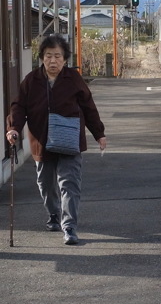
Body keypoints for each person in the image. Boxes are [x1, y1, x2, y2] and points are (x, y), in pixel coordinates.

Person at [6, 34, 106, 245]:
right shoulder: (31, 80)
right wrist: (14, 128)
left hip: (69, 140)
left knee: (69, 183)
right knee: (45, 183)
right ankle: (54, 213)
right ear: (42, 57)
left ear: (65, 59)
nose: (53, 61)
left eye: (58, 56)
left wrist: (99, 133)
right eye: (49, 56)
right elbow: (19, 106)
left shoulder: (73, 79)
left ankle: (69, 226)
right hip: (41, 140)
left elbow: (89, 106)